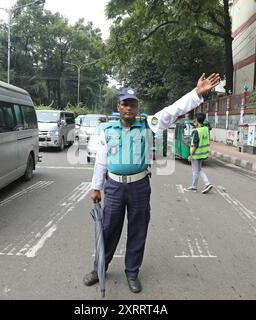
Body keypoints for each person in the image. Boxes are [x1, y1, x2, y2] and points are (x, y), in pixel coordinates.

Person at [84, 73, 220, 293]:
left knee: (138, 230)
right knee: (108, 229)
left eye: (133, 104)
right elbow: (101, 161)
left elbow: (172, 110)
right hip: (114, 186)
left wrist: (196, 94)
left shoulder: (148, 124)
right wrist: (95, 187)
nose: (129, 108)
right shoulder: (107, 131)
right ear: (118, 107)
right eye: (125, 104)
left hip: (139, 186)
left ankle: (132, 272)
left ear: (137, 107)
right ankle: (99, 267)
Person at [184, 113, 213, 194]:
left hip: (196, 154)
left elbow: (195, 145)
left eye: (194, 119)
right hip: (203, 154)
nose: (193, 121)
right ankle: (204, 184)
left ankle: (198, 186)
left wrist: (190, 155)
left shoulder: (197, 131)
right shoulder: (205, 129)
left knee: (195, 171)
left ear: (196, 120)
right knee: (199, 170)